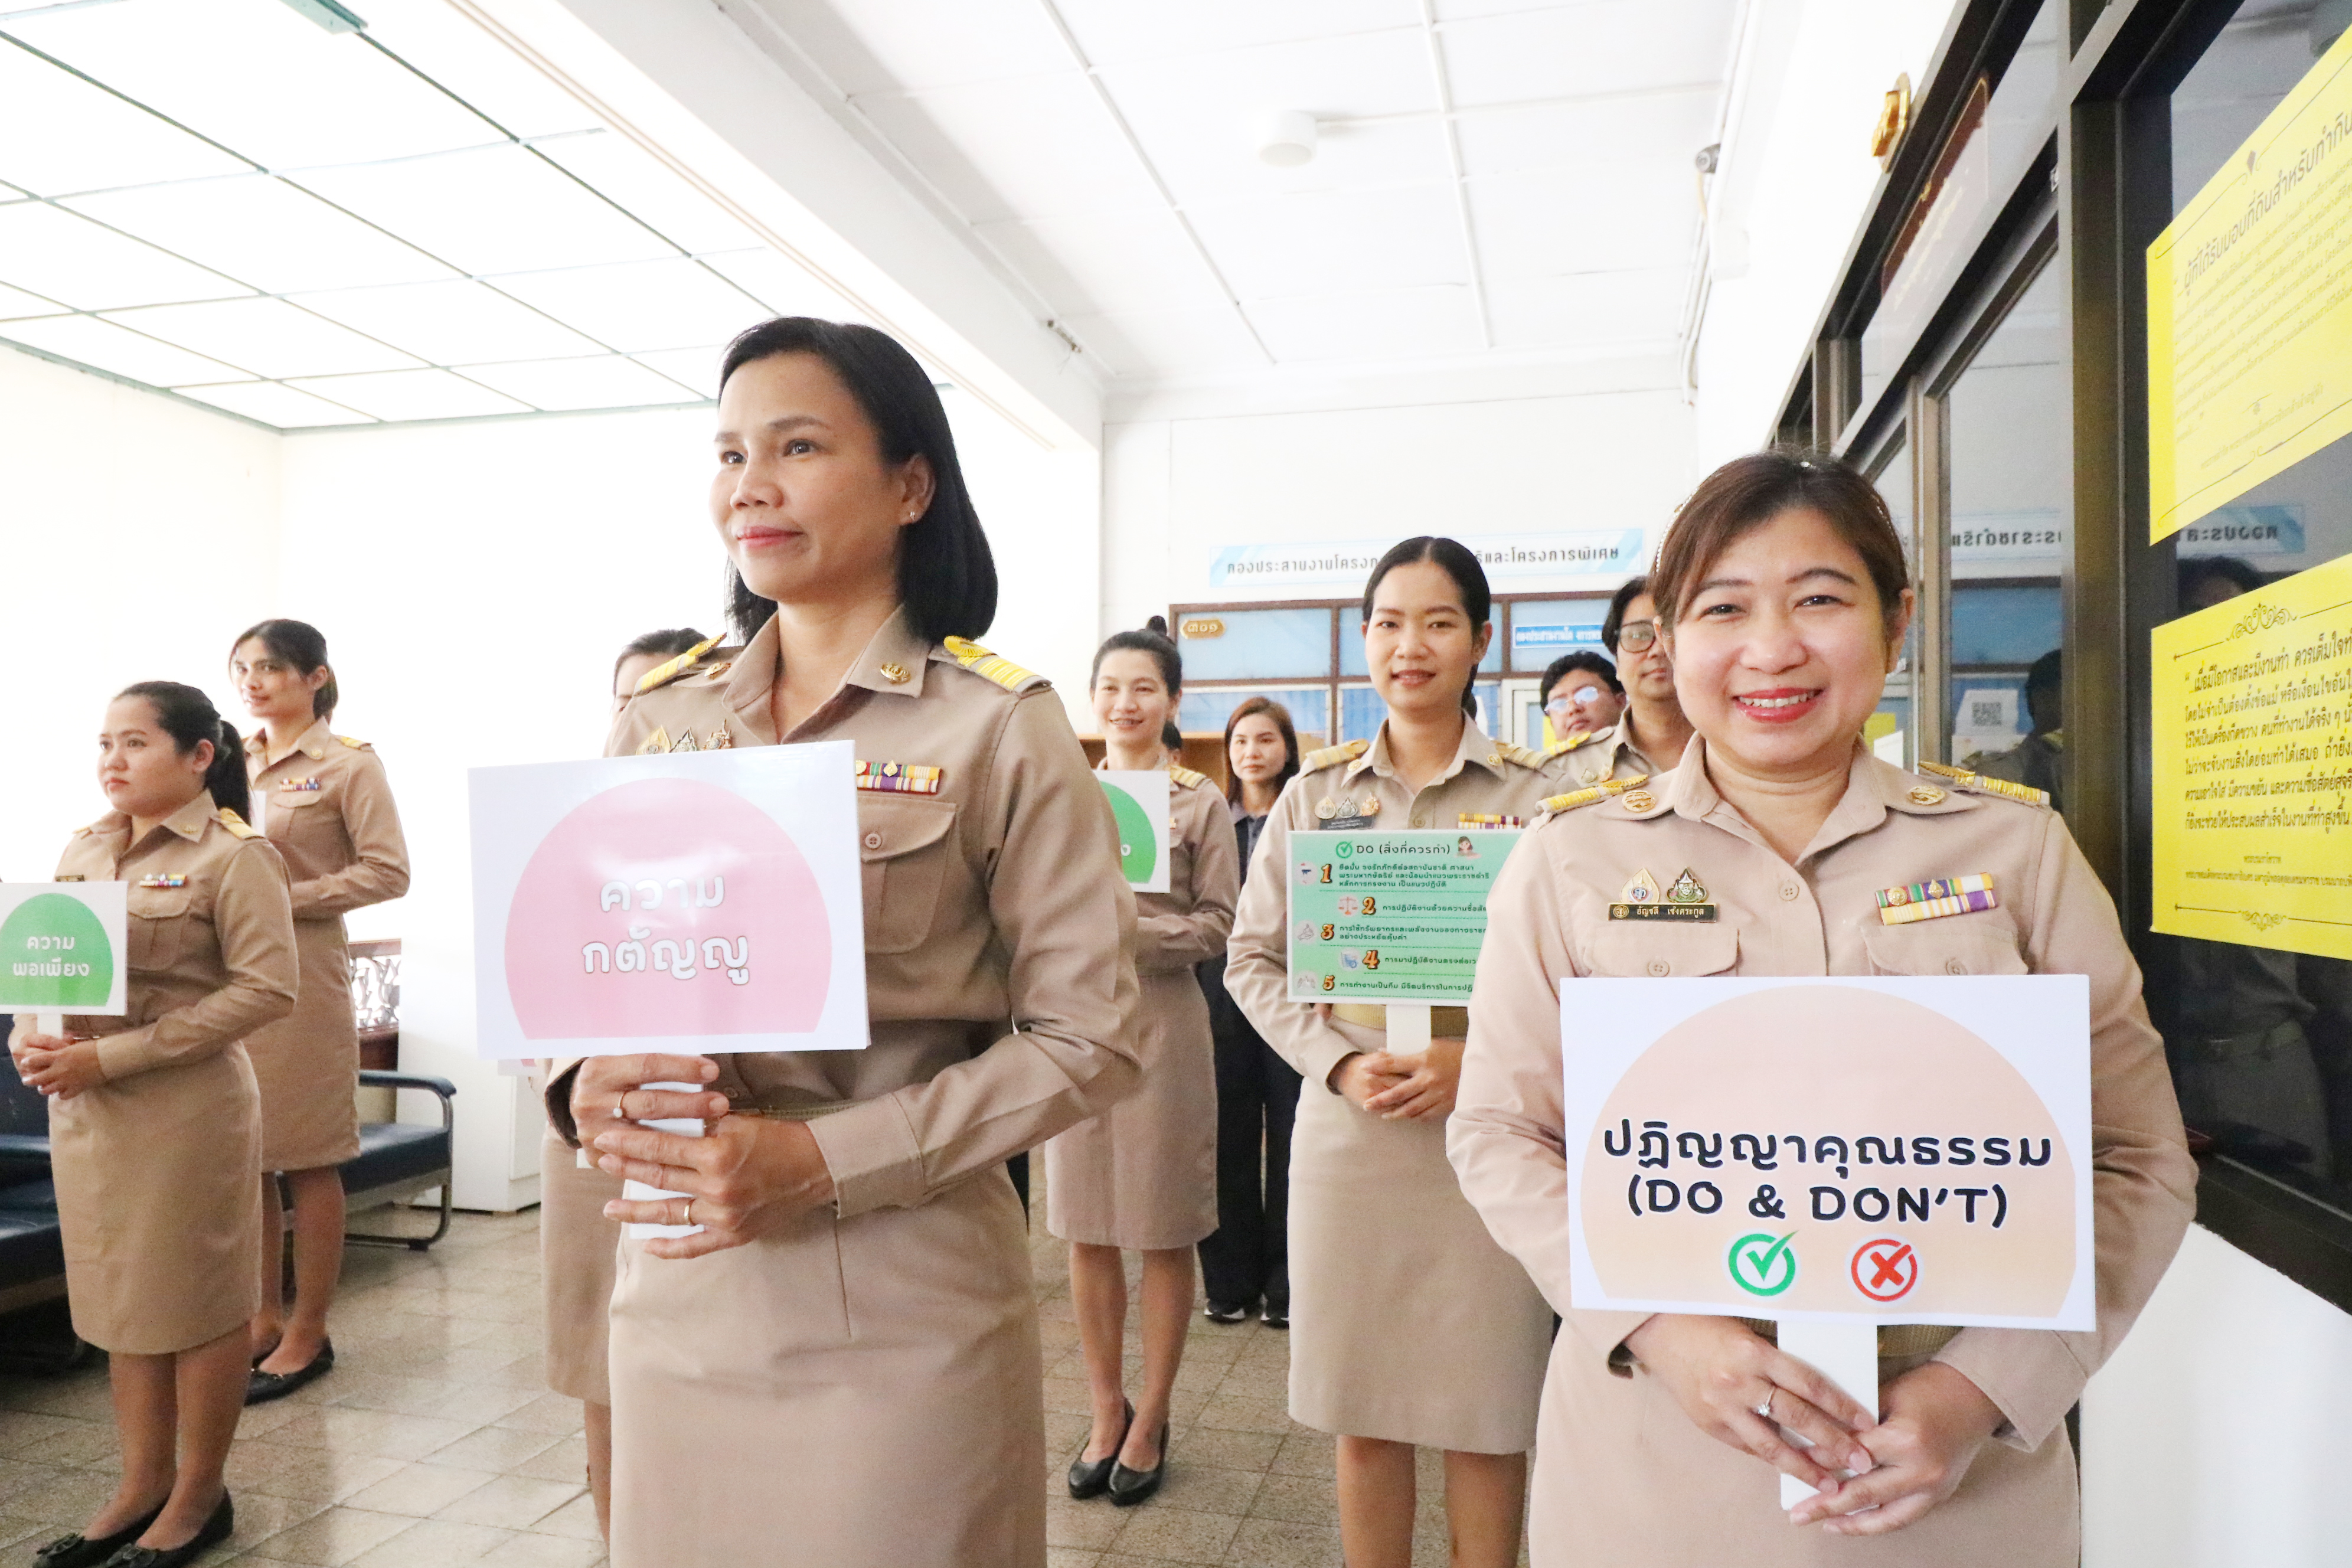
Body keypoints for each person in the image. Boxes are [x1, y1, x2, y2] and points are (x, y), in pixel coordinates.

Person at [1449, 450, 2196, 1567]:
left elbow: (2136, 1157)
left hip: (1954, 1476)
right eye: (1721, 608)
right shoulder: (1570, 856)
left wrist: (1976, 1388)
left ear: (1893, 621)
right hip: (1658, 1461)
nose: (1769, 650)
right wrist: (1661, 1332)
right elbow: (1500, 1131)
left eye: (1816, 599)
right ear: (1663, 640)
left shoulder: (2013, 848)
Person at [547, 316, 1139, 1568]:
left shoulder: (999, 725)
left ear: (911, 482)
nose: (748, 485)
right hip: (680, 1280)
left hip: (898, 1301)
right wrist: (578, 1082)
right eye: (728, 452)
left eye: (798, 445)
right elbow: (586, 972)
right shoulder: (660, 719)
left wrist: (822, 1159)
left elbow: (1092, 1038)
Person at [1225, 537, 1564, 1568]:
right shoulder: (1314, 794)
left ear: (1479, 643)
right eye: (1385, 622)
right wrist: (1331, 1061)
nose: (1406, 645)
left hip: (1490, 1138)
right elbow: (1250, 960)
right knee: (1362, 1412)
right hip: (1351, 1137)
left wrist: (1481, 1063)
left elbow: (1579, 977)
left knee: (1485, 1414)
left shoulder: (1538, 798)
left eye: (1435, 622)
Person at [11, 682, 296, 1566]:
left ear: (198, 756)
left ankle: (200, 1496)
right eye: (105, 744)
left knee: (199, 1309)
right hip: (88, 1116)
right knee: (123, 1306)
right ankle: (140, 1487)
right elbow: (42, 968)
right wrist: (31, 1038)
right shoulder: (85, 846)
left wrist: (115, 1059)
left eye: (135, 743)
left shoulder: (235, 856)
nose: (112, 761)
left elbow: (267, 989)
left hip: (184, 1115)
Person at [1048, 619, 1239, 1508]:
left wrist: (1129, 932)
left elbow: (1219, 926)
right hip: (1077, 1034)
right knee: (1084, 1227)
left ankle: (1154, 1414)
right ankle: (1103, 1407)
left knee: (1164, 1229)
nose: (1125, 704)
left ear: (1172, 702)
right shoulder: (1065, 797)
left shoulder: (1199, 800)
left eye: (1144, 689)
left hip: (1165, 1028)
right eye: (1111, 688)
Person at [538, 625, 711, 1539]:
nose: (649, 724)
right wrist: (576, 1084)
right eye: (629, 703)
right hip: (592, 1144)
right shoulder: (572, 843)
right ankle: (617, 1541)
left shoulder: (758, 848)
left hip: (716, 1138)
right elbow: (539, 984)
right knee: (601, 1367)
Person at [228, 619, 410, 1404]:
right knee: (250, 1156)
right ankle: (261, 1319)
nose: (254, 682)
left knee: (308, 1155)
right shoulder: (228, 759)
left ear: (315, 677)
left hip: (304, 979)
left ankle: (310, 1330)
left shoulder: (346, 766)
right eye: (242, 670)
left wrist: (281, 901)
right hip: (233, 978)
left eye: (270, 667)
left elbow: (388, 871)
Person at [1197, 697, 1304, 1328]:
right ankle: (1230, 1282)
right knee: (1225, 1134)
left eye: (1265, 739)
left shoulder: (1314, 818)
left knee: (1293, 1136)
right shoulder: (1215, 821)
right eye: (1241, 741)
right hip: (1218, 991)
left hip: (1293, 989)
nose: (1252, 751)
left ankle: (1287, 1287)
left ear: (1287, 748)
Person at [1549, 574, 1697, 785]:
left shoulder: (1743, 751)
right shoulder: (1565, 769)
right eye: (1638, 635)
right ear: (1617, 664)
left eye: (1671, 632)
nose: (1658, 649)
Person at [1537, 649, 1623, 744]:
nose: (1573, 708)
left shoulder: (1640, 756)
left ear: (1620, 701)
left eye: (1586, 695)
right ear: (1551, 723)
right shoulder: (1544, 759)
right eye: (1559, 704)